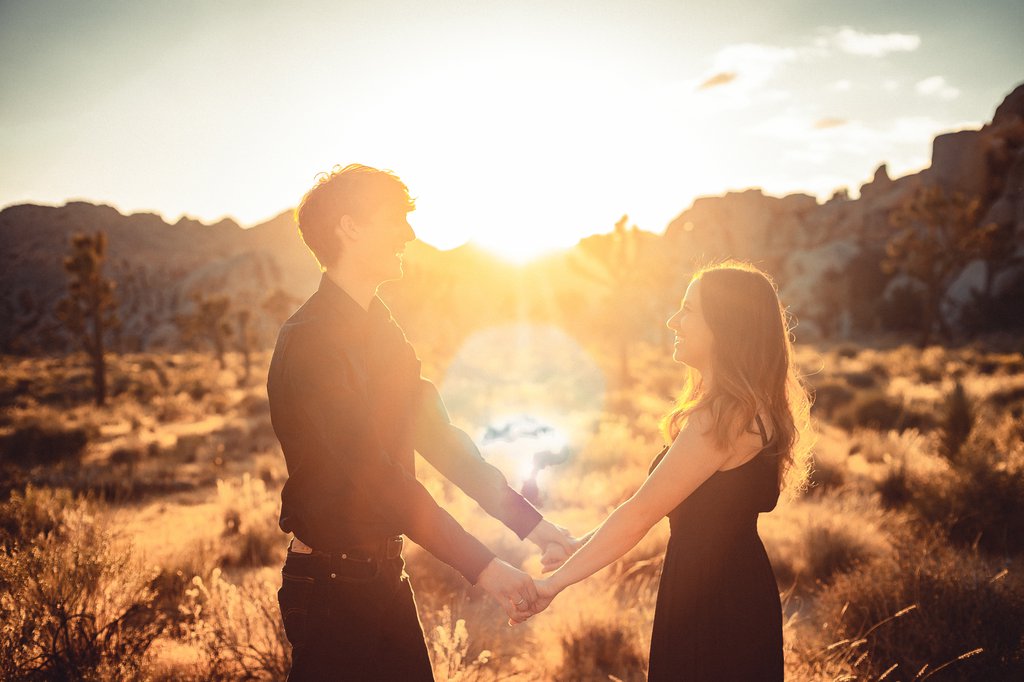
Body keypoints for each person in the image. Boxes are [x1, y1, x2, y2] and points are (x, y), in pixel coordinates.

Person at [267, 164, 579, 680]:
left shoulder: (381, 329)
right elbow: (375, 474)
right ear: (350, 227)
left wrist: (534, 525)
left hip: (386, 574)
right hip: (329, 585)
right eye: (396, 219)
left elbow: (440, 438)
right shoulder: (311, 341)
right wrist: (484, 568)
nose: (408, 234)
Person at [516, 260, 813, 681]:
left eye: (689, 310)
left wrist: (553, 585)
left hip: (713, 606)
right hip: (731, 590)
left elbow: (640, 514)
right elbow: (659, 501)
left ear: (724, 326)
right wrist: (579, 545)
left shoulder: (722, 418)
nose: (673, 321)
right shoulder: (748, 409)